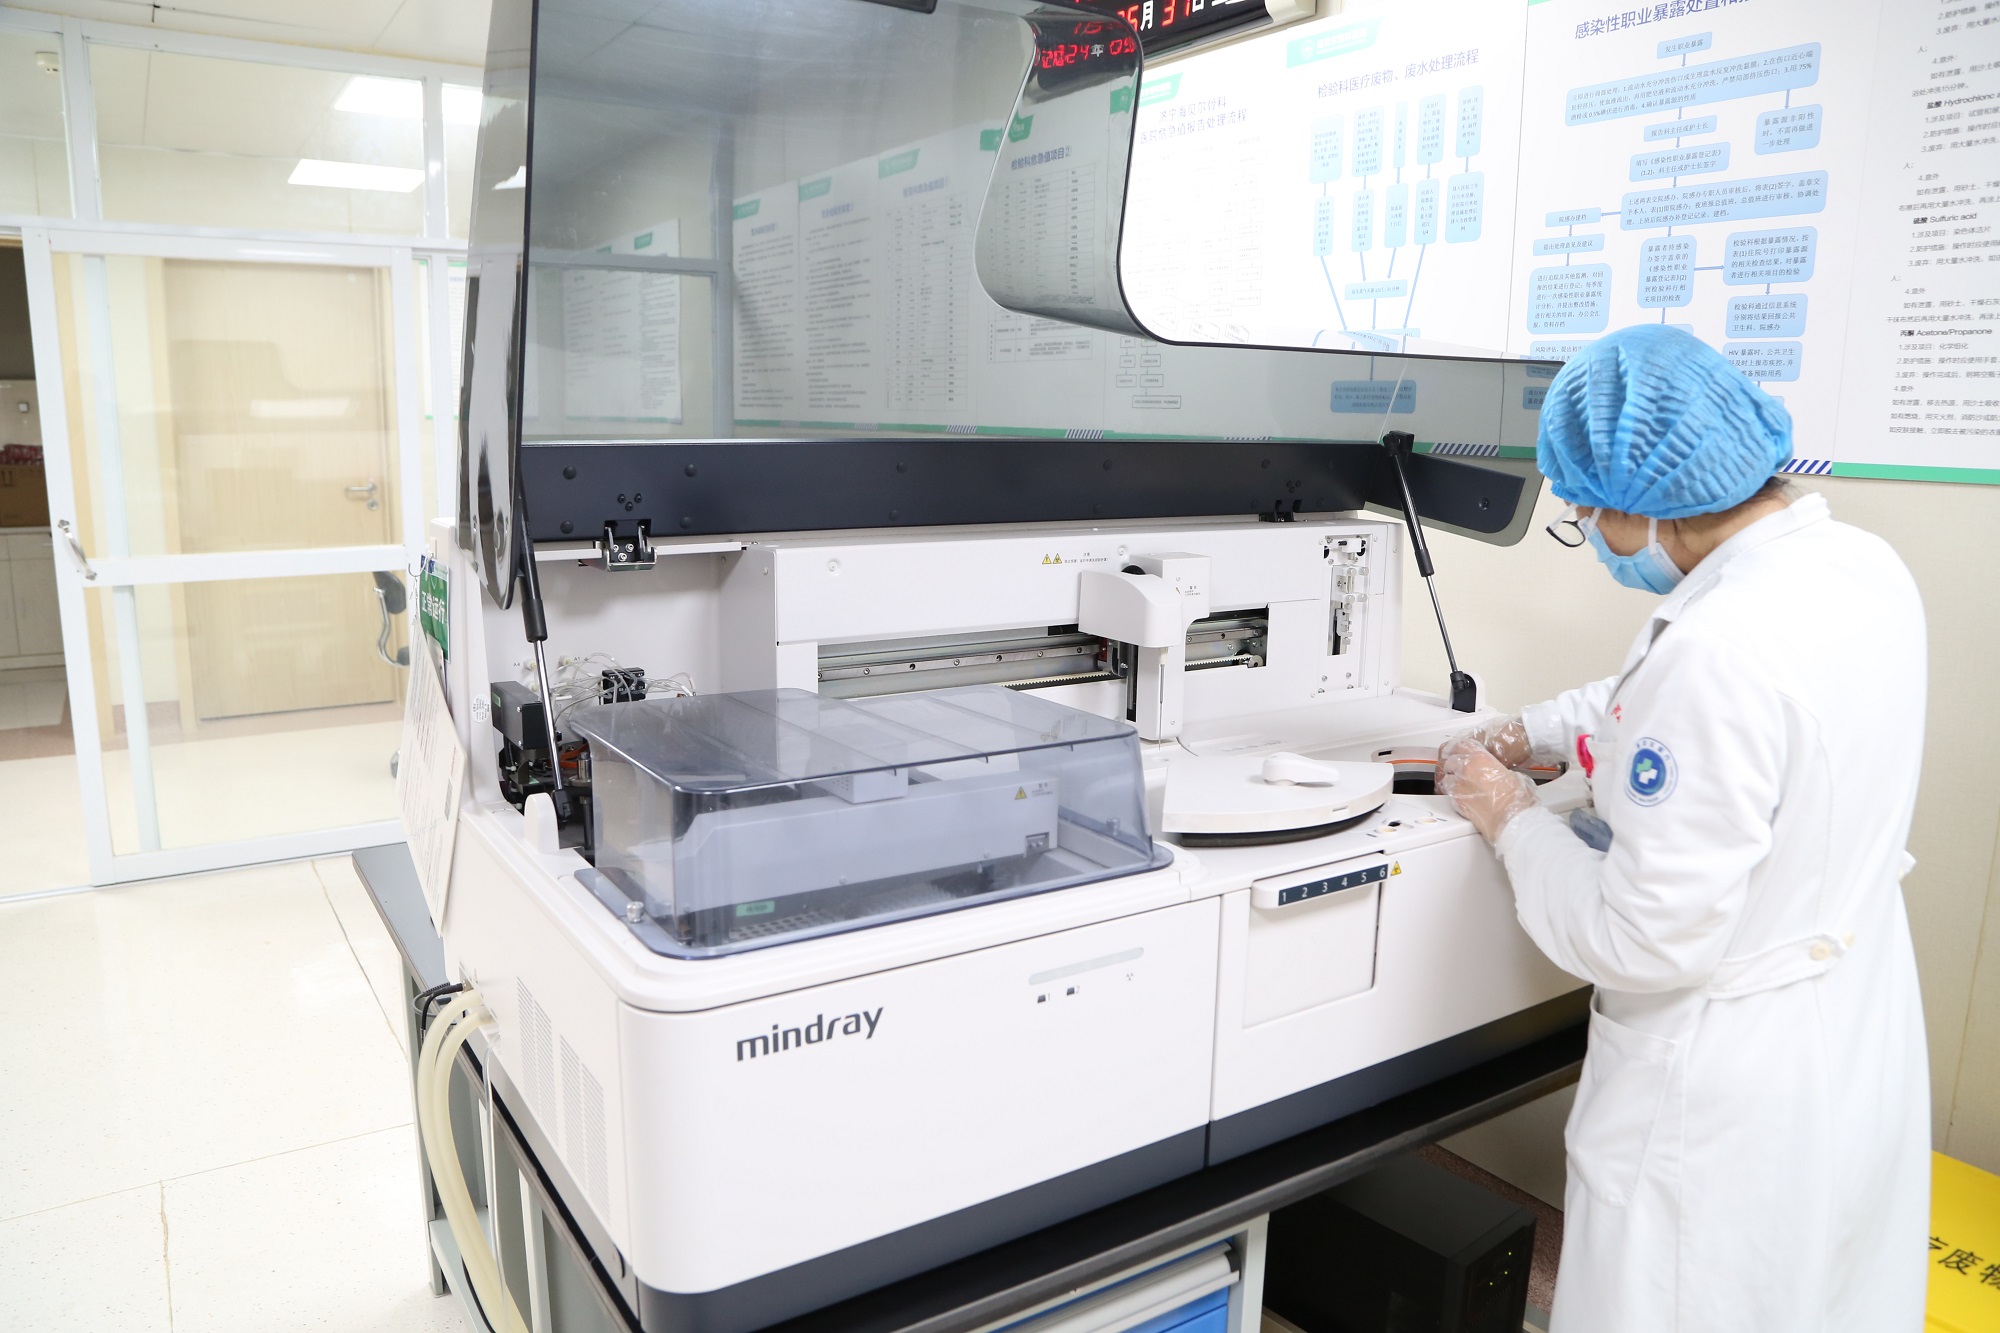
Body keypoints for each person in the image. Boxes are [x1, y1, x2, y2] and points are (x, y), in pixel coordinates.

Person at [1438, 324, 1930, 1333]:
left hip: (1722, 1090)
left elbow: (1639, 937)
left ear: (1638, 502)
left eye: (1585, 512)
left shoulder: (1716, 647)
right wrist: (1539, 731)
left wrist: (1509, 815)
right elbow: (1691, 712)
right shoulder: (1855, 564)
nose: (1591, 532)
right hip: (1849, 1027)